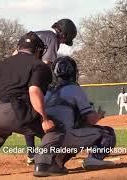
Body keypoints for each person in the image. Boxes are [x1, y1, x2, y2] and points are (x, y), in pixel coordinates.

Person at [0, 32, 54, 178]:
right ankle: (45, 165)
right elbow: (34, 91)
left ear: (19, 47)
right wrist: (45, 119)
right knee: (55, 131)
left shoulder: (0, 64)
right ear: (38, 50)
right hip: (10, 111)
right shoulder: (39, 65)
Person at [33, 56, 116, 177]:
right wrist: (99, 115)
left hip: (49, 141)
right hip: (67, 136)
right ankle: (94, 159)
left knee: (72, 130)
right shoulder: (74, 88)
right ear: (73, 72)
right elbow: (91, 120)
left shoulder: (47, 91)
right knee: (108, 133)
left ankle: (57, 162)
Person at [20, 18, 78, 165]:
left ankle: (31, 152)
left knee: (29, 113)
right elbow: (45, 65)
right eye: (65, 40)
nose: (62, 43)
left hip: (19, 75)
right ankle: (52, 147)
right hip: (31, 76)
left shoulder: (39, 34)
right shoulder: (52, 38)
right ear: (63, 34)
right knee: (39, 112)